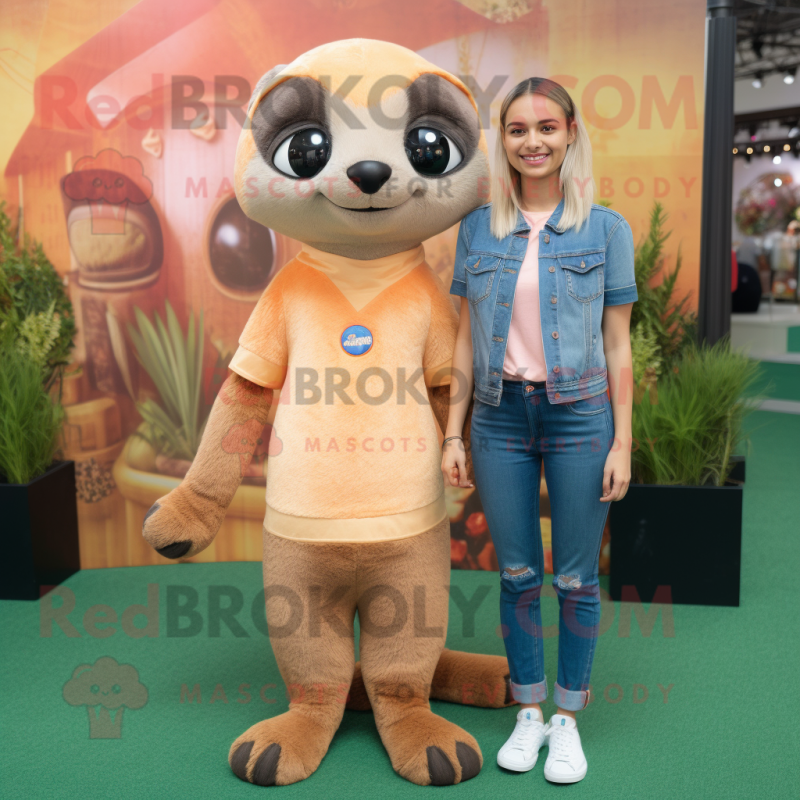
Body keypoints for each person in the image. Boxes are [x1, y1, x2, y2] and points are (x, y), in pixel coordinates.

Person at [441, 77, 638, 784]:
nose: (533, 142)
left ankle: (567, 720)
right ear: (504, 139)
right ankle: (527, 712)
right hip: (497, 417)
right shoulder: (478, 228)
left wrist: (622, 441)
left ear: (571, 132)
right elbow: (464, 341)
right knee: (519, 574)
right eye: (519, 130)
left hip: (581, 414)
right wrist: (453, 433)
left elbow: (620, 346)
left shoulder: (606, 229)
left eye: (547, 128)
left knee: (579, 579)